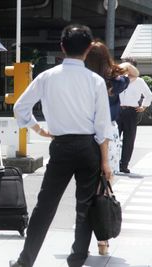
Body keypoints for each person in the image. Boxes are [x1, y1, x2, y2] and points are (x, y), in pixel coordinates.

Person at [9, 24, 112, 267]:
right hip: (88, 148)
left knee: (45, 205)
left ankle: (26, 260)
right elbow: (102, 126)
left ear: (62, 47)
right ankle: (77, 259)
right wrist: (105, 162)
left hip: (61, 146)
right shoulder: (95, 81)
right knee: (85, 206)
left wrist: (40, 129)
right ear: (88, 49)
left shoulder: (47, 77)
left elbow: (19, 108)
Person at [84, 40, 130, 255]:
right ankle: (103, 240)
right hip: (109, 133)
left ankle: (83, 236)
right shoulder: (115, 80)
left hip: (85, 133)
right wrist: (116, 66)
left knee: (86, 187)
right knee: (105, 183)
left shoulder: (83, 79)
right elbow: (131, 72)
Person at [116, 59, 152, 173]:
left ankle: (124, 165)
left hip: (131, 112)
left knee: (129, 139)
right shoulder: (118, 79)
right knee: (114, 138)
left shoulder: (139, 81)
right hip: (117, 111)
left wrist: (143, 106)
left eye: (129, 67)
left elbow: (149, 95)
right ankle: (113, 163)